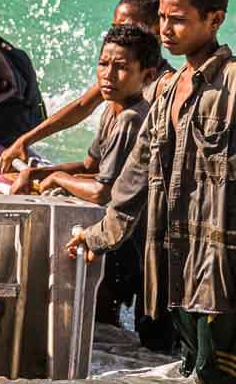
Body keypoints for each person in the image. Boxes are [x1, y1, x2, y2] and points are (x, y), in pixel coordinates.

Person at [69, 0, 236, 384]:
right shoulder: (163, 90)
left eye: (178, 19)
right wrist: (97, 235)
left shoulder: (232, 86)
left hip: (223, 278)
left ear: (215, 19)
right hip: (176, 277)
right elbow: (133, 182)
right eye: (162, 17)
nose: (165, 29)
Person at [12, 25, 168, 344]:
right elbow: (89, 167)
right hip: (117, 234)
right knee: (107, 330)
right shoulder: (114, 110)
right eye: (103, 63)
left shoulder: (131, 119)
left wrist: (54, 178)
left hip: (128, 241)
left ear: (148, 75)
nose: (108, 75)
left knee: (104, 325)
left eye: (122, 67)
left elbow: (102, 191)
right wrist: (39, 172)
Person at [0, 0, 171, 171]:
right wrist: (25, 140)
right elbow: (82, 106)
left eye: (128, 28)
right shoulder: (117, 81)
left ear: (158, 32)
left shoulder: (164, 83)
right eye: (115, 28)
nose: (119, 35)